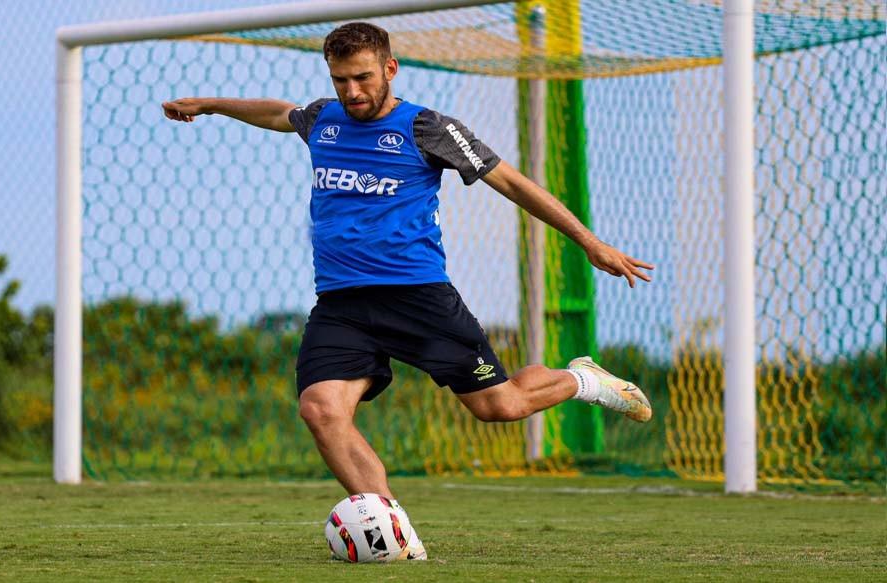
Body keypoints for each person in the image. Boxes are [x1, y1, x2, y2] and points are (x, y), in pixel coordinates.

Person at [162, 22, 654, 560]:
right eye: (340, 79)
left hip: (418, 298)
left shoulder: (426, 128)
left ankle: (583, 379)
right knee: (321, 409)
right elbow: (279, 113)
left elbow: (512, 182)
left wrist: (589, 242)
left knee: (499, 406)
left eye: (363, 77)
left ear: (390, 69)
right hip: (342, 304)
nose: (352, 91)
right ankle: (395, 538)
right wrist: (210, 104)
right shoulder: (323, 120)